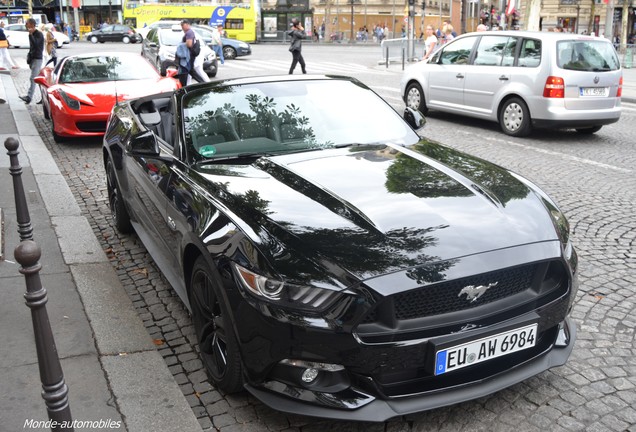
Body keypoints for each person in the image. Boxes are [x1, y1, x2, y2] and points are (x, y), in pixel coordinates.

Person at [20, 18, 44, 105]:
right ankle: (44, 97)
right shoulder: (32, 34)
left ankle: (29, 97)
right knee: (39, 80)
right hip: (33, 58)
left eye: (27, 23)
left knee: (33, 78)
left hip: (37, 59)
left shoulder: (38, 34)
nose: (26, 25)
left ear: (32, 25)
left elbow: (37, 45)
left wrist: (30, 35)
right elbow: (32, 47)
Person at [178, 19, 206, 86]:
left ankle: (202, 84)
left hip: (188, 55)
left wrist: (182, 45)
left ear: (187, 25)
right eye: (181, 25)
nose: (182, 27)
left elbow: (189, 44)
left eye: (183, 25)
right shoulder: (189, 32)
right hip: (188, 55)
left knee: (187, 70)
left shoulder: (189, 32)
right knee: (190, 70)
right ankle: (202, 83)